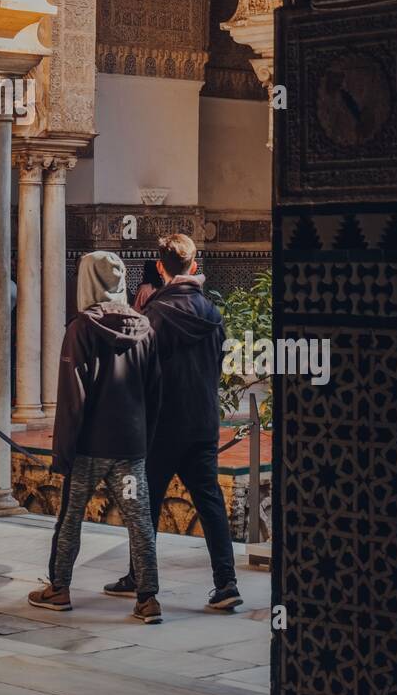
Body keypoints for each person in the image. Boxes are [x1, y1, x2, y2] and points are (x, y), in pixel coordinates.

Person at [104, 234, 243, 610]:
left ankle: (142, 581)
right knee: (210, 501)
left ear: (162, 268)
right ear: (194, 266)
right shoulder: (213, 315)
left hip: (162, 425)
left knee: (145, 504)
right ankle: (226, 584)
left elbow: (136, 373)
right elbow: (218, 368)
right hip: (202, 422)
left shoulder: (153, 316)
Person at [28, 251, 163, 624]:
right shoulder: (145, 328)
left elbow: (73, 397)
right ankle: (148, 598)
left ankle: (59, 588)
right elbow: (155, 393)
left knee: (71, 517)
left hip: (90, 446)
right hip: (130, 447)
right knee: (140, 521)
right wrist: (143, 441)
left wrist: (64, 452)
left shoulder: (81, 329)